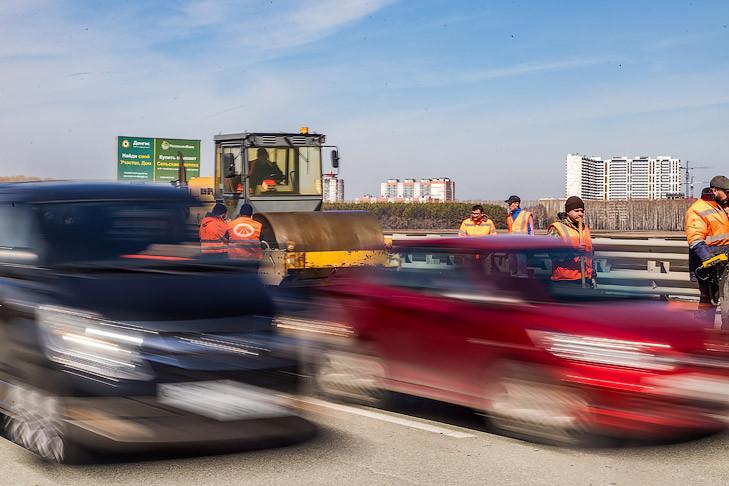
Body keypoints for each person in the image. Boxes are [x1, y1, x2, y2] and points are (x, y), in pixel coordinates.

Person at [686, 176, 729, 323]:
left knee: (726, 304)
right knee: (708, 303)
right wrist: (710, 259)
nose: (728, 196)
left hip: (725, 265)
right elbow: (695, 239)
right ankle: (704, 332)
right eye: (726, 193)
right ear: (715, 190)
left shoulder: (724, 206)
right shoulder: (697, 209)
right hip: (708, 266)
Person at [547, 196, 596, 288]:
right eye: (576, 211)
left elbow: (590, 255)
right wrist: (574, 252)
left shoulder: (585, 229)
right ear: (568, 211)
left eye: (582, 211)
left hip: (585, 280)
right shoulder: (557, 228)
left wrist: (592, 277)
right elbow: (553, 254)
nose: (580, 214)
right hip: (565, 282)